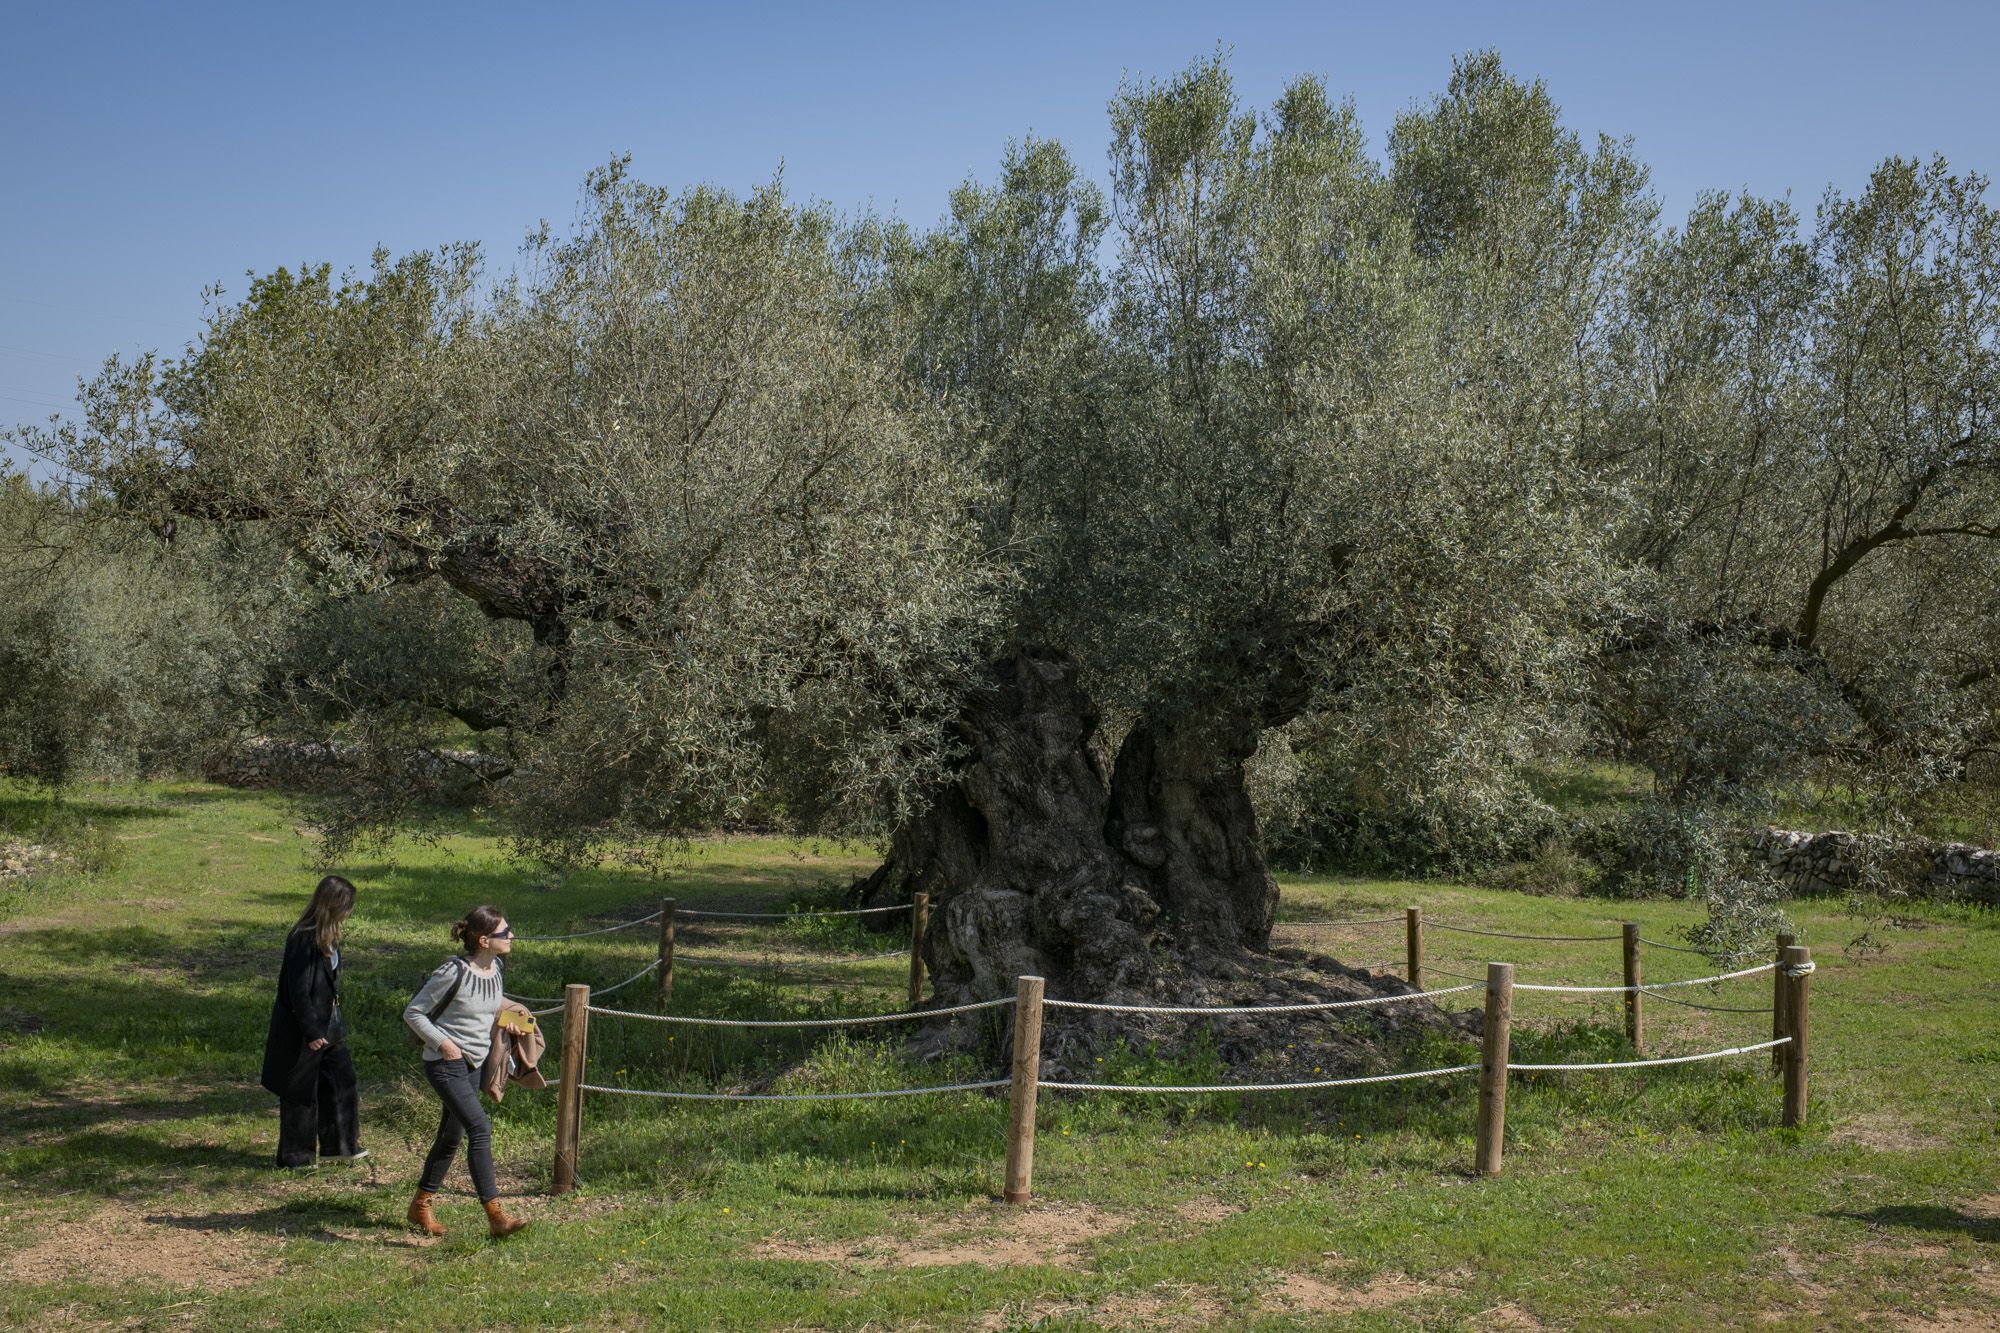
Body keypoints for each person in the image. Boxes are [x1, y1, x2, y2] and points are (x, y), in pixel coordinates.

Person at [402, 905, 528, 1239]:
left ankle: (419, 1206)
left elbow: (490, 1005)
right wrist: (444, 1043)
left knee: (451, 1135)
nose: (511, 935)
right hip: (446, 1064)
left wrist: (513, 1020)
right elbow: (413, 1013)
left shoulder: (496, 968)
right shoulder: (452, 971)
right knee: (480, 1128)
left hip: (475, 1063)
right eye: (505, 932)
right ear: (484, 940)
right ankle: (496, 1216)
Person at [260, 874, 364, 1169]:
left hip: (330, 1026)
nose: (349, 912)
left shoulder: (329, 937)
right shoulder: (302, 938)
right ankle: (296, 1157)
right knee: (301, 1092)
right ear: (333, 905)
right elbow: (297, 991)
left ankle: (340, 1145)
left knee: (342, 1080)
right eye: (347, 906)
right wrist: (311, 1030)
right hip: (304, 1029)